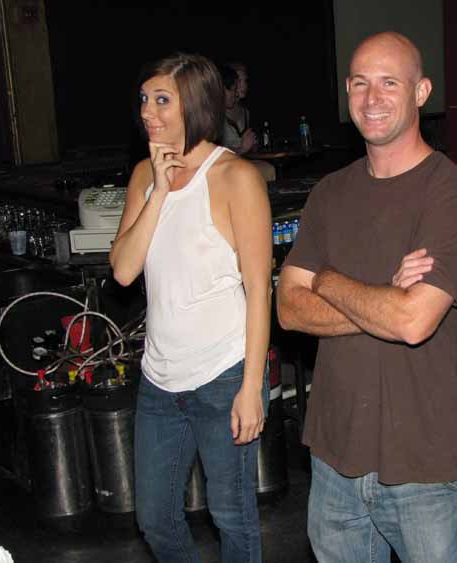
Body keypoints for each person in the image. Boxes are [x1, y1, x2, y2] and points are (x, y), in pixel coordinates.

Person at [277, 32, 457, 562]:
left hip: (424, 464)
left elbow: (412, 322)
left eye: (389, 83)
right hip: (333, 456)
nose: (372, 98)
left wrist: (328, 280)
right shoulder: (329, 193)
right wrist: (385, 297)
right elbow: (288, 308)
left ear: (421, 92)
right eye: (360, 83)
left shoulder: (452, 195)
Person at [109, 52, 272, 563]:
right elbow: (124, 270)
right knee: (155, 520)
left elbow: (259, 289)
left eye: (162, 100)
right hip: (159, 379)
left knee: (231, 516)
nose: (147, 112)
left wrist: (251, 388)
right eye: (144, 99)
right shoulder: (144, 175)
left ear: (195, 105)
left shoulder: (235, 178)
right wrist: (159, 192)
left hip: (224, 375)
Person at [220, 62, 275, 181]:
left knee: (268, 169)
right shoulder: (213, 114)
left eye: (244, 80)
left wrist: (252, 145)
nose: (243, 85)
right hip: (226, 167)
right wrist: (242, 148)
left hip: (240, 161)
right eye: (239, 81)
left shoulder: (245, 112)